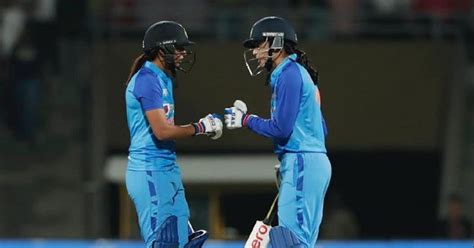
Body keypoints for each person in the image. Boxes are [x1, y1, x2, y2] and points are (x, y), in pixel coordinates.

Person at [224, 16, 332, 247]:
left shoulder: (289, 74)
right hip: (308, 162)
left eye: (258, 45)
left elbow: (281, 129)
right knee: (295, 242)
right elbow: (322, 128)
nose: (254, 53)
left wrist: (246, 120)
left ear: (276, 43)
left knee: (291, 243)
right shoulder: (297, 73)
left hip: (302, 162)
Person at [125, 21, 223, 248]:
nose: (183, 53)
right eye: (178, 48)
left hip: (166, 169)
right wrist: (201, 127)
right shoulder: (147, 80)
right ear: (162, 49)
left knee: (182, 243)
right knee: (162, 244)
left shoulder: (163, 78)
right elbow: (162, 131)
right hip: (149, 170)